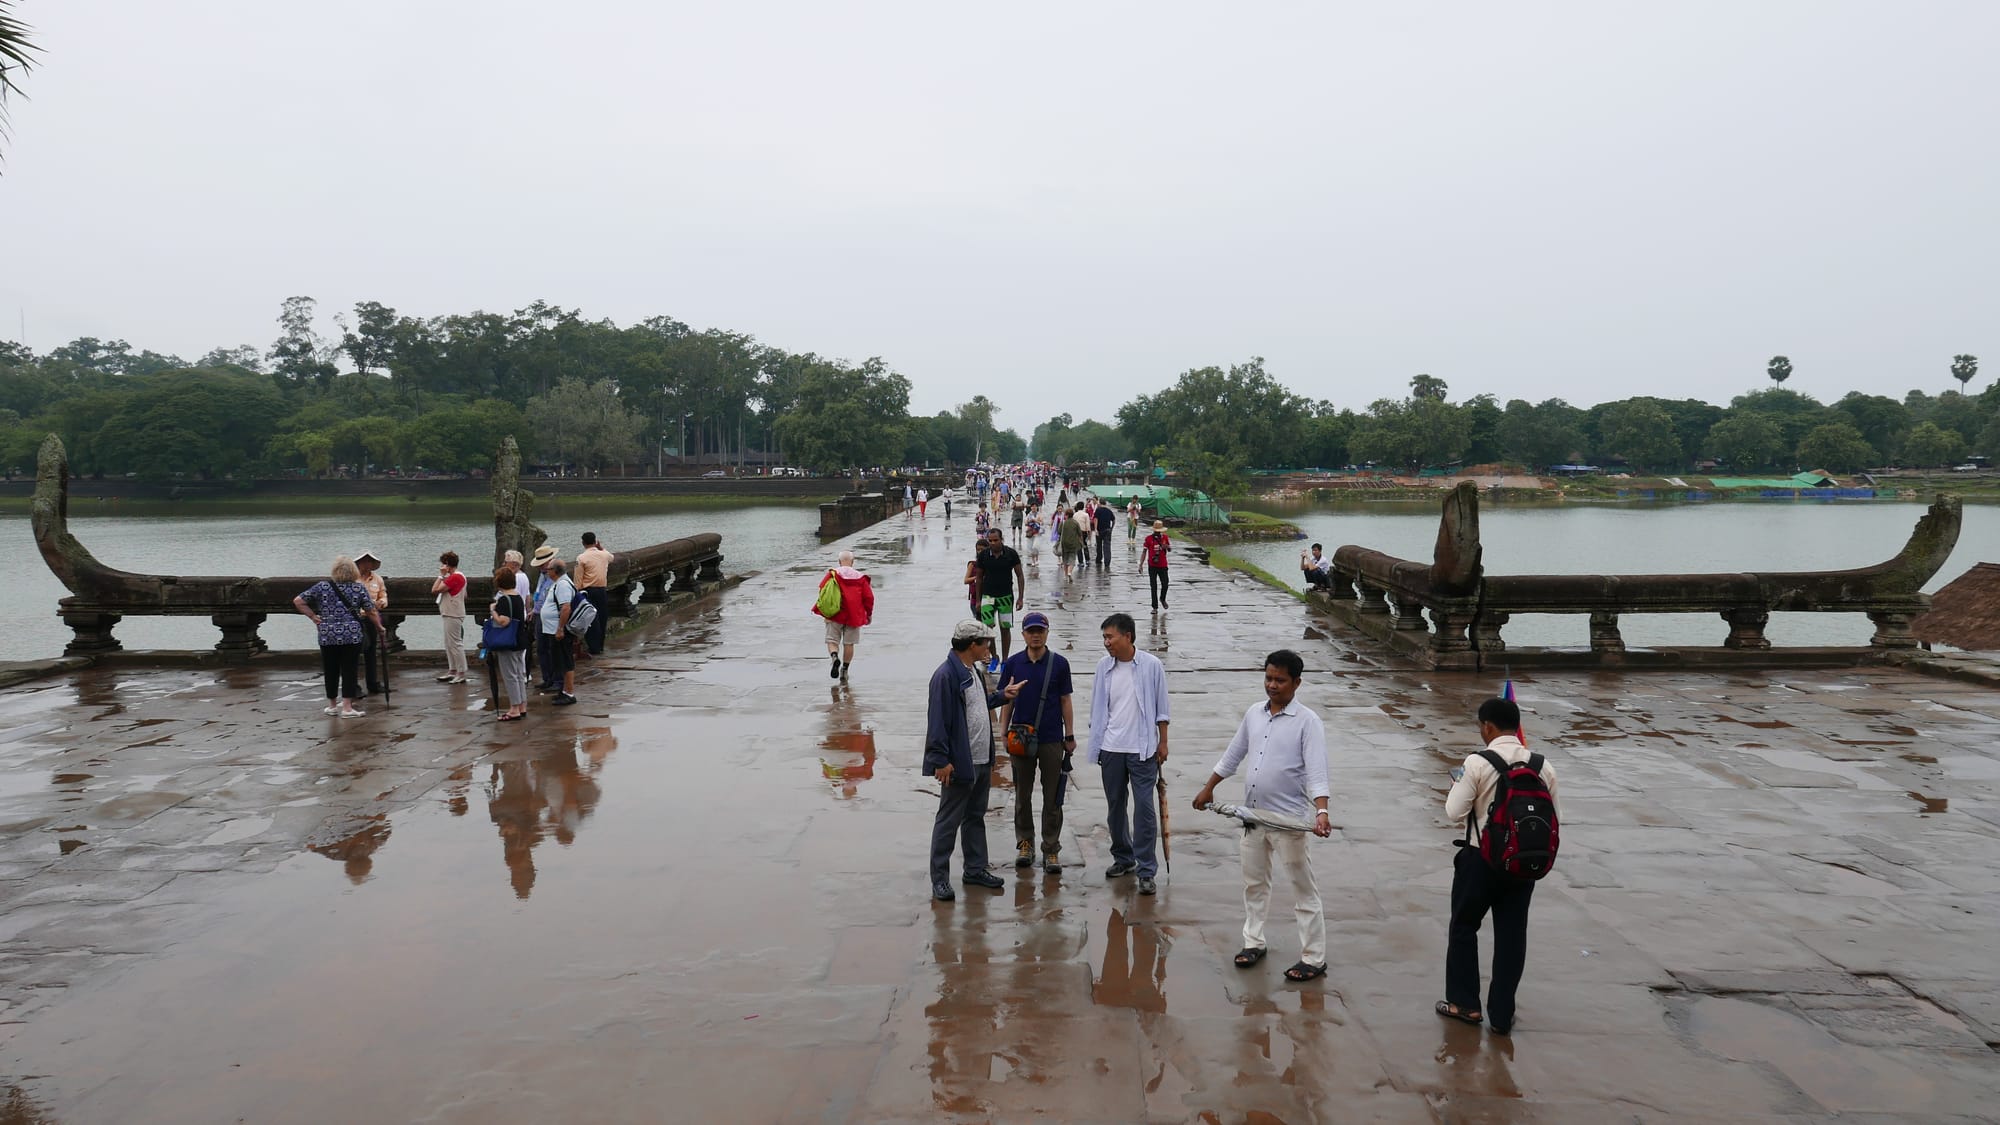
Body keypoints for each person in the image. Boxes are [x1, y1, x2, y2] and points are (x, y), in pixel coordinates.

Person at [1192, 650, 1333, 982]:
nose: (1272, 685)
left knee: (1302, 889)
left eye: (1280, 680)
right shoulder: (1254, 714)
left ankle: (1313, 957)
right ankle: (1253, 941)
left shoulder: (1307, 722)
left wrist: (1322, 811)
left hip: (1289, 822)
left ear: (1296, 683)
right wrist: (1209, 787)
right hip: (1252, 817)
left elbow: (1317, 772)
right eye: (1269, 678)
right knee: (1254, 885)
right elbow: (1234, 753)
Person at [1439, 697, 1560, 1035]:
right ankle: (1502, 1014)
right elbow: (1555, 821)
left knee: (1464, 927)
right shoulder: (1542, 766)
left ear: (1488, 726)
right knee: (1511, 935)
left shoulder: (1477, 763)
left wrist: (1456, 784)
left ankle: (1465, 1004)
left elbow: (1454, 812)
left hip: (1480, 859)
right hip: (1522, 864)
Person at [924, 620, 1023, 901]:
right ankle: (940, 878)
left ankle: (975, 868)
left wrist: (1004, 696)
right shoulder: (945, 676)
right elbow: (938, 723)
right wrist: (940, 761)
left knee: (975, 816)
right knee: (948, 821)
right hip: (959, 762)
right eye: (985, 642)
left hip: (980, 759)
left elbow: (980, 705)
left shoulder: (973, 672)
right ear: (972, 645)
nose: (989, 647)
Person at [1089, 612, 1171, 896]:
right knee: (1115, 808)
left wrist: (1163, 742)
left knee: (1145, 810)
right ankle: (1123, 858)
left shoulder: (1151, 666)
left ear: (1128, 636)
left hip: (1142, 749)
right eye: (1104, 637)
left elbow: (1162, 708)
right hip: (1111, 748)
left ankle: (1146, 869)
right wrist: (1097, 743)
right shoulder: (1104, 667)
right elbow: (1099, 706)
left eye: (1110, 637)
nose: (1106, 642)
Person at [997, 611, 1076, 875]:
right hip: (1020, 737)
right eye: (1031, 631)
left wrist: (1070, 735)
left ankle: (1051, 848)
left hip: (1052, 738)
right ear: (1023, 634)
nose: (1035, 635)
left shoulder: (1059, 664)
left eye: (1040, 631)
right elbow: (1007, 699)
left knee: (1053, 797)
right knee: (1022, 795)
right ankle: (1025, 843)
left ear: (1047, 633)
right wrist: (1002, 731)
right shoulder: (1013, 664)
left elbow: (1065, 700)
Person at [293, 555, 380, 717]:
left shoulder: (322, 586)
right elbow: (370, 611)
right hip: (351, 634)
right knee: (349, 669)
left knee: (330, 668)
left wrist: (313, 616)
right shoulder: (358, 588)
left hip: (327, 633)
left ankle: (332, 705)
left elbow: (298, 601)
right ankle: (347, 706)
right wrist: (380, 627)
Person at [814, 550, 875, 682]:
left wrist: (824, 611)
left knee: (832, 641)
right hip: (854, 615)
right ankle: (845, 670)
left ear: (839, 562)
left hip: (835, 613)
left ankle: (835, 657)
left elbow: (822, 591)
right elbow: (868, 598)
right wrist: (868, 614)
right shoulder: (861, 577)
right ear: (852, 562)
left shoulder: (833, 574)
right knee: (849, 643)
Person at [532, 546, 579, 706]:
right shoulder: (556, 582)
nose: (546, 571)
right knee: (559, 660)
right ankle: (564, 691)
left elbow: (566, 607)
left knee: (565, 661)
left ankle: (568, 692)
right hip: (551, 627)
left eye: (548, 569)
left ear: (555, 570)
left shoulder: (563, 584)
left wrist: (560, 628)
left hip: (558, 629)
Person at [976, 528, 1026, 663]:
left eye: (995, 540)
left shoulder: (1011, 554)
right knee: (987, 629)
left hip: (1005, 597)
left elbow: (1020, 575)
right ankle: (994, 657)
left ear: (1001, 540)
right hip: (988, 597)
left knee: (1005, 628)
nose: (992, 543)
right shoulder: (983, 555)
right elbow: (979, 578)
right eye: (990, 541)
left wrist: (1020, 598)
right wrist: (978, 600)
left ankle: (1005, 660)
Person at [489, 564, 530, 721]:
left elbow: (503, 622)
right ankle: (522, 705)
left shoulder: (504, 600)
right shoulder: (518, 597)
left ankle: (514, 708)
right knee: (519, 673)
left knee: (510, 675)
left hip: (508, 642)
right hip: (520, 639)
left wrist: (493, 611)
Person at [431, 551, 469, 683]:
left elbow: (435, 590)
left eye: (443, 564)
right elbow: (465, 595)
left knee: (455, 643)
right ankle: (453, 670)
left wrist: (441, 576)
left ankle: (461, 672)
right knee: (449, 643)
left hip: (453, 612)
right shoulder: (460, 576)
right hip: (451, 611)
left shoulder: (454, 577)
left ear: (447, 564)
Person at [354, 550, 389, 693]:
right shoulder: (352, 579)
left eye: (369, 562)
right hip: (356, 619)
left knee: (371, 652)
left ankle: (373, 683)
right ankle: (353, 686)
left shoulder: (378, 579)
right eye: (364, 562)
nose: (367, 564)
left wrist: (381, 602)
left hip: (372, 618)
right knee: (354, 653)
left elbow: (383, 595)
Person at [575, 532, 615, 655]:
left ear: (583, 543)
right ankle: (600, 645)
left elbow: (578, 580)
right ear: (595, 542)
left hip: (588, 591)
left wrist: (576, 594)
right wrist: (601, 548)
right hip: (601, 590)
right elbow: (612, 557)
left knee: (590, 619)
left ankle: (594, 647)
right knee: (602, 618)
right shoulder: (604, 555)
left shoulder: (581, 558)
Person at [1143, 521, 1172, 610]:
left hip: (1163, 565)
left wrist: (1166, 547)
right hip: (1152, 565)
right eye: (1156, 531)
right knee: (1153, 586)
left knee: (1165, 583)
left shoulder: (1165, 538)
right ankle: (1154, 607)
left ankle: (1162, 599)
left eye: (1159, 531)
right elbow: (1144, 551)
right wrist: (1140, 564)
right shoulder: (1148, 539)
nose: (1158, 533)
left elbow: (1170, 549)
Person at [1056, 506, 1085, 581]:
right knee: (1072, 560)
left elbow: (1059, 532)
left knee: (1065, 560)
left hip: (1064, 544)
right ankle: (1069, 572)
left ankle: (1065, 575)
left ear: (1066, 515)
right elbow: (1079, 533)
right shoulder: (1075, 523)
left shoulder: (1063, 523)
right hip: (1073, 544)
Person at [1093, 499, 1115, 567]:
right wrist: (1112, 528)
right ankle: (1107, 562)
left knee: (1099, 545)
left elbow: (1096, 519)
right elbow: (1113, 520)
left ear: (1100, 503)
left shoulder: (1098, 510)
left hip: (1100, 530)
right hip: (1108, 530)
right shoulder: (1109, 511)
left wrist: (1095, 529)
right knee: (1107, 547)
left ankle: (1099, 559)